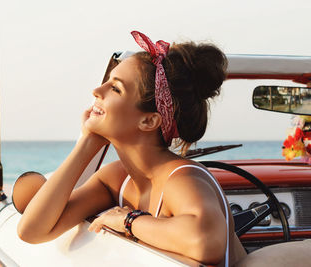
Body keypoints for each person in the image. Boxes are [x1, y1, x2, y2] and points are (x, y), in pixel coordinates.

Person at [17, 31, 247, 266]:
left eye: (115, 88)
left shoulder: (183, 177)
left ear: (148, 121)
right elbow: (32, 231)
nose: (97, 90)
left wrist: (128, 220)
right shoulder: (116, 179)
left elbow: (207, 242)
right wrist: (87, 143)